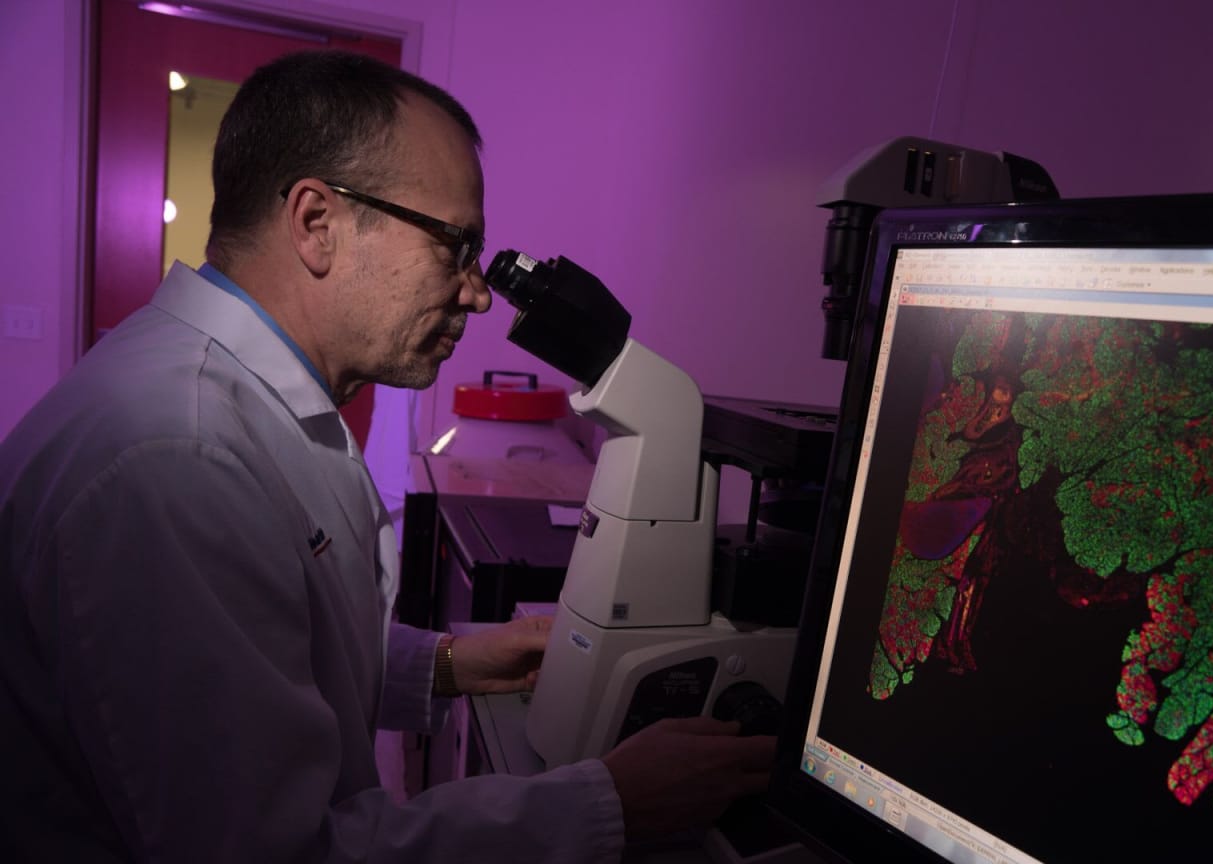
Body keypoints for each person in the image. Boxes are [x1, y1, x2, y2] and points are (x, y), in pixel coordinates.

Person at [0, 51, 774, 863]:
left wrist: (444, 663)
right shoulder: (177, 460)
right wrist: (607, 804)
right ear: (317, 223)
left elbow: (257, 648)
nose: (478, 291)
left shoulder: (233, 400)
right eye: (455, 245)